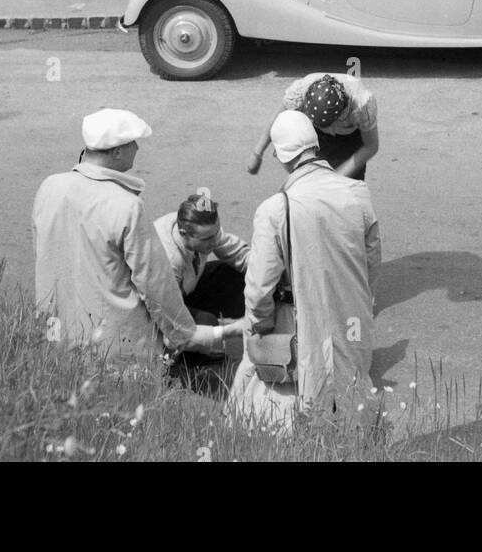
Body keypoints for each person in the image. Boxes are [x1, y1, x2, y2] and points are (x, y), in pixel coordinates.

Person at [32, 108, 221, 366]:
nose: (137, 149)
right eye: (133, 143)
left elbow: (45, 256)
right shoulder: (126, 205)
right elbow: (154, 282)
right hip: (115, 347)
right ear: (117, 152)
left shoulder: (49, 187)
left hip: (57, 336)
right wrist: (183, 333)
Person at [229, 111, 380, 429]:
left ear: (281, 155)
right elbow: (371, 267)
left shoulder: (274, 209)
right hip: (352, 316)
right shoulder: (358, 195)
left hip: (295, 322)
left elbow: (258, 289)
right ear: (316, 145)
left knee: (287, 407)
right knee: (352, 398)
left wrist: (260, 326)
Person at [247, 72, 379, 180]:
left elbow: (371, 146)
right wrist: (257, 153)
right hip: (315, 138)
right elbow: (275, 120)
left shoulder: (362, 106)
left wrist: (337, 179)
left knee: (347, 193)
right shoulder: (300, 91)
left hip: (350, 141)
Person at [153, 192, 250, 336]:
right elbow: (165, 313)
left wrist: (268, 271)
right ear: (183, 233)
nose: (216, 241)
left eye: (216, 233)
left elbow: (238, 254)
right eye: (208, 239)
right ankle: (199, 355)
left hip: (186, 288)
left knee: (234, 275)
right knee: (208, 323)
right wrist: (216, 333)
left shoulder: (204, 228)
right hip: (159, 306)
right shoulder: (168, 260)